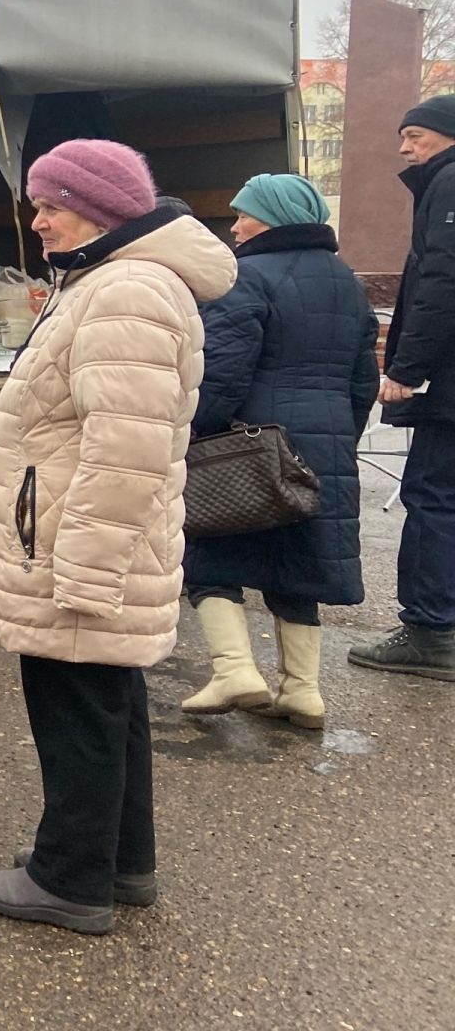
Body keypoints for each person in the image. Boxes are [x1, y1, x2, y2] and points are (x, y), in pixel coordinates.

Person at [0, 139, 237, 934]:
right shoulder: (113, 281)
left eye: (51, 204)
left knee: (76, 704)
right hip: (82, 538)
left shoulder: (127, 291)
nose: (37, 220)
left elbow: (128, 450)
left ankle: (68, 879)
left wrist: (83, 567)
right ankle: (119, 863)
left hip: (80, 546)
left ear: (103, 209)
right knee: (105, 697)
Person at [179, 175, 378, 728]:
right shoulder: (347, 281)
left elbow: (222, 372)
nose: (235, 226)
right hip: (324, 443)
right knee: (298, 564)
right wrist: (340, 437)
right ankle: (303, 692)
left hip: (251, 444)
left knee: (208, 550)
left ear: (274, 217)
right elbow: (364, 380)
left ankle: (234, 670)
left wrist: (197, 431)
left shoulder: (247, 276)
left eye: (244, 215)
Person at [349, 93, 455, 681]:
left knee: (434, 498)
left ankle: (430, 631)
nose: (404, 149)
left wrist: (407, 368)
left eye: (415, 136)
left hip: (449, 384)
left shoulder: (449, 184)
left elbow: (444, 281)